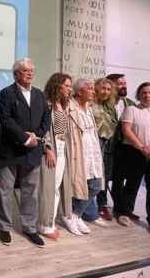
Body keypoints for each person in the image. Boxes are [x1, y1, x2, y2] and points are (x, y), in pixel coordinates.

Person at [0, 58, 50, 248]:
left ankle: (29, 228)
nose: (30, 73)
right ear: (16, 73)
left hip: (33, 151)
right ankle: (4, 227)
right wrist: (24, 138)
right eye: (25, 70)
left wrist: (37, 136)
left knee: (31, 192)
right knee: (5, 191)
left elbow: (46, 119)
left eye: (32, 70)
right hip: (10, 151)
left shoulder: (40, 95)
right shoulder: (6, 93)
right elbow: (6, 120)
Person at [116, 82, 150, 237]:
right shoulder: (131, 110)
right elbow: (126, 130)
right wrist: (143, 148)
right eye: (144, 93)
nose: (147, 95)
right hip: (135, 152)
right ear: (139, 95)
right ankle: (125, 212)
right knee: (132, 184)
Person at [63, 78, 105, 235]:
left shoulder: (88, 108)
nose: (93, 91)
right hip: (77, 151)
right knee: (79, 185)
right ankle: (72, 216)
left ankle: (76, 215)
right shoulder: (69, 106)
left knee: (95, 184)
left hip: (92, 150)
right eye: (90, 89)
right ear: (79, 91)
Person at [38, 73, 72, 240]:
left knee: (56, 187)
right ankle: (44, 225)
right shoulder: (47, 104)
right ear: (57, 85)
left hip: (62, 147)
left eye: (70, 86)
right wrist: (48, 148)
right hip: (52, 148)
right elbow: (42, 128)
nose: (69, 89)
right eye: (66, 85)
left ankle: (49, 221)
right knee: (48, 188)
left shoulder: (63, 104)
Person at [105, 73, 136, 220]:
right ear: (110, 85)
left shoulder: (130, 103)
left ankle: (121, 208)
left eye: (125, 83)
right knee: (104, 177)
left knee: (120, 179)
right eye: (120, 83)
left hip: (125, 148)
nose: (124, 85)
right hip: (108, 146)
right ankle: (102, 206)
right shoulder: (103, 102)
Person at [91, 78, 117, 221]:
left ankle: (102, 205)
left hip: (106, 145)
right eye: (103, 88)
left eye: (108, 89)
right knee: (91, 176)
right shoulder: (89, 104)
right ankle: (88, 207)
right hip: (92, 143)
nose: (106, 91)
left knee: (104, 176)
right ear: (96, 88)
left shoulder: (110, 107)